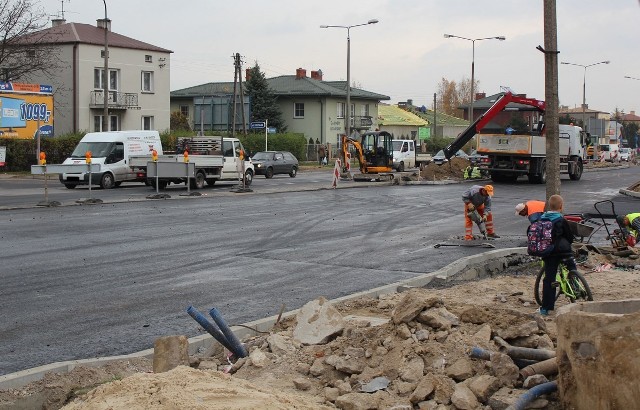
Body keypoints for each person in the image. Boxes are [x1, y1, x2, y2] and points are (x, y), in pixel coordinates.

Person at [538, 194, 576, 316]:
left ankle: (546, 308)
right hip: (563, 251)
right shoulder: (561, 220)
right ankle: (574, 282)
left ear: (549, 205)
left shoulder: (542, 219)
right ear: (561, 206)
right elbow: (570, 237)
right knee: (571, 266)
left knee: (549, 279)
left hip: (548, 253)